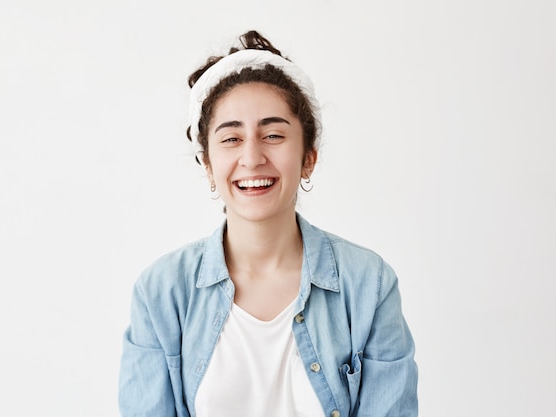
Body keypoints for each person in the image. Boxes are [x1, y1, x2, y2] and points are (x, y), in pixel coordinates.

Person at [118, 30, 418, 417]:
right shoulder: (161, 292)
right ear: (208, 165)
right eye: (231, 139)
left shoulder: (369, 285)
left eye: (273, 134)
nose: (252, 157)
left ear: (308, 157)